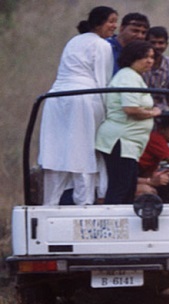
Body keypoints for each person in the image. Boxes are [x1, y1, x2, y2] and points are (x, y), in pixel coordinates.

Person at [39, 6, 117, 206]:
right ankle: (84, 205)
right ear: (98, 23)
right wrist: (107, 114)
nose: (114, 26)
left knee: (56, 154)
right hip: (83, 98)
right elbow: (102, 81)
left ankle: (50, 205)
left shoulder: (73, 41)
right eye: (111, 21)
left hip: (56, 98)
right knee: (83, 153)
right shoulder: (102, 45)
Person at [95, 40, 162, 205]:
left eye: (152, 57)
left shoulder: (134, 77)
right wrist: (153, 112)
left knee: (128, 187)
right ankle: (113, 225)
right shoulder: (128, 76)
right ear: (133, 57)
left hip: (129, 143)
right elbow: (131, 109)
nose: (149, 61)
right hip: (121, 141)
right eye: (144, 57)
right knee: (120, 188)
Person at [135, 119, 169, 196]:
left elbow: (148, 173)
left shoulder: (160, 144)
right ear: (161, 129)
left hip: (137, 175)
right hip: (128, 178)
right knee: (148, 191)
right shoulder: (155, 138)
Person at [143, 26, 169, 110]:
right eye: (153, 43)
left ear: (166, 45)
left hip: (162, 109)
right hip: (142, 107)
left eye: (161, 43)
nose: (157, 46)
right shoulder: (139, 63)